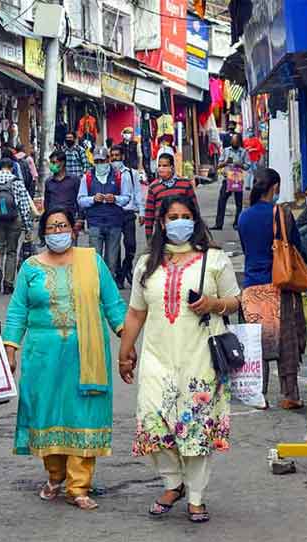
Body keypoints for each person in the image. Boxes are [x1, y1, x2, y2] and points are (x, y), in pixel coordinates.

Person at [118, 195, 240, 523]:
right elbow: (135, 312)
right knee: (153, 424)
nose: (179, 222)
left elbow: (236, 301)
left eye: (185, 216)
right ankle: (173, 483)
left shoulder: (214, 260)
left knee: (196, 429)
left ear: (196, 221)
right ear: (161, 223)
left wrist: (214, 304)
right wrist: (125, 351)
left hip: (200, 359)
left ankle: (196, 495)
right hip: (157, 358)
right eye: (172, 216)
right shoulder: (146, 264)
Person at [2, 207, 127, 511]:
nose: (58, 232)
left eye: (63, 226)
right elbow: (17, 311)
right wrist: (10, 349)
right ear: (44, 233)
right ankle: (55, 475)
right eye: (52, 227)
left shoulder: (91, 262)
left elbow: (113, 304)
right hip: (42, 355)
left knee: (82, 413)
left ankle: (78, 485)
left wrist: (129, 343)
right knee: (46, 413)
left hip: (86, 352)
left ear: (74, 229)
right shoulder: (30, 268)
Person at [238, 168, 307, 409]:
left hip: (251, 286)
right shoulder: (283, 214)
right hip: (280, 283)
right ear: (275, 187)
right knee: (286, 340)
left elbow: (247, 249)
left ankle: (258, 393)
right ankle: (290, 394)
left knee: (258, 341)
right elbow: (296, 247)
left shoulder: (244, 217)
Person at [77, 146, 132, 277]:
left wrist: (115, 198)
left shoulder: (119, 176)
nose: (100, 164)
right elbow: (80, 199)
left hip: (114, 223)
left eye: (102, 161)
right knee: (95, 262)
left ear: (108, 160)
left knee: (111, 263)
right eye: (97, 162)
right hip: (95, 223)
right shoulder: (87, 177)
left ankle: (109, 292)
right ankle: (95, 291)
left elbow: (127, 197)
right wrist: (92, 199)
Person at [0, 158, 33, 294]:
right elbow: (24, 206)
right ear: (12, 168)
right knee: (12, 251)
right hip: (14, 219)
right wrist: (27, 226)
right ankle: (8, 283)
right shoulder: (17, 182)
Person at [143, 154, 198, 239]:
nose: (161, 168)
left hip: (183, 228)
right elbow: (149, 213)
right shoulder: (153, 187)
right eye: (159, 166)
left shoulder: (185, 184)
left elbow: (195, 208)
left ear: (172, 167)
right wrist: (149, 236)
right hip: (161, 230)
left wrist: (197, 229)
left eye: (165, 166)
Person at [110, 144, 140, 289]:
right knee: (115, 248)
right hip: (113, 213)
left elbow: (138, 192)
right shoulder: (107, 173)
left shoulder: (131, 173)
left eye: (117, 155)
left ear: (122, 156)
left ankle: (126, 268)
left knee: (131, 245)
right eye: (112, 156)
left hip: (128, 213)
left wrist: (142, 211)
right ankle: (119, 276)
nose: (114, 158)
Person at [213, 133, 250, 230]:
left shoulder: (244, 152)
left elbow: (247, 166)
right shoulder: (226, 151)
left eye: (236, 141)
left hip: (238, 179)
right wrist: (225, 163)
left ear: (239, 142)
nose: (234, 143)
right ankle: (218, 224)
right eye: (232, 141)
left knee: (239, 203)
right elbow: (219, 165)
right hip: (227, 179)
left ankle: (237, 223)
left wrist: (240, 164)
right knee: (221, 201)